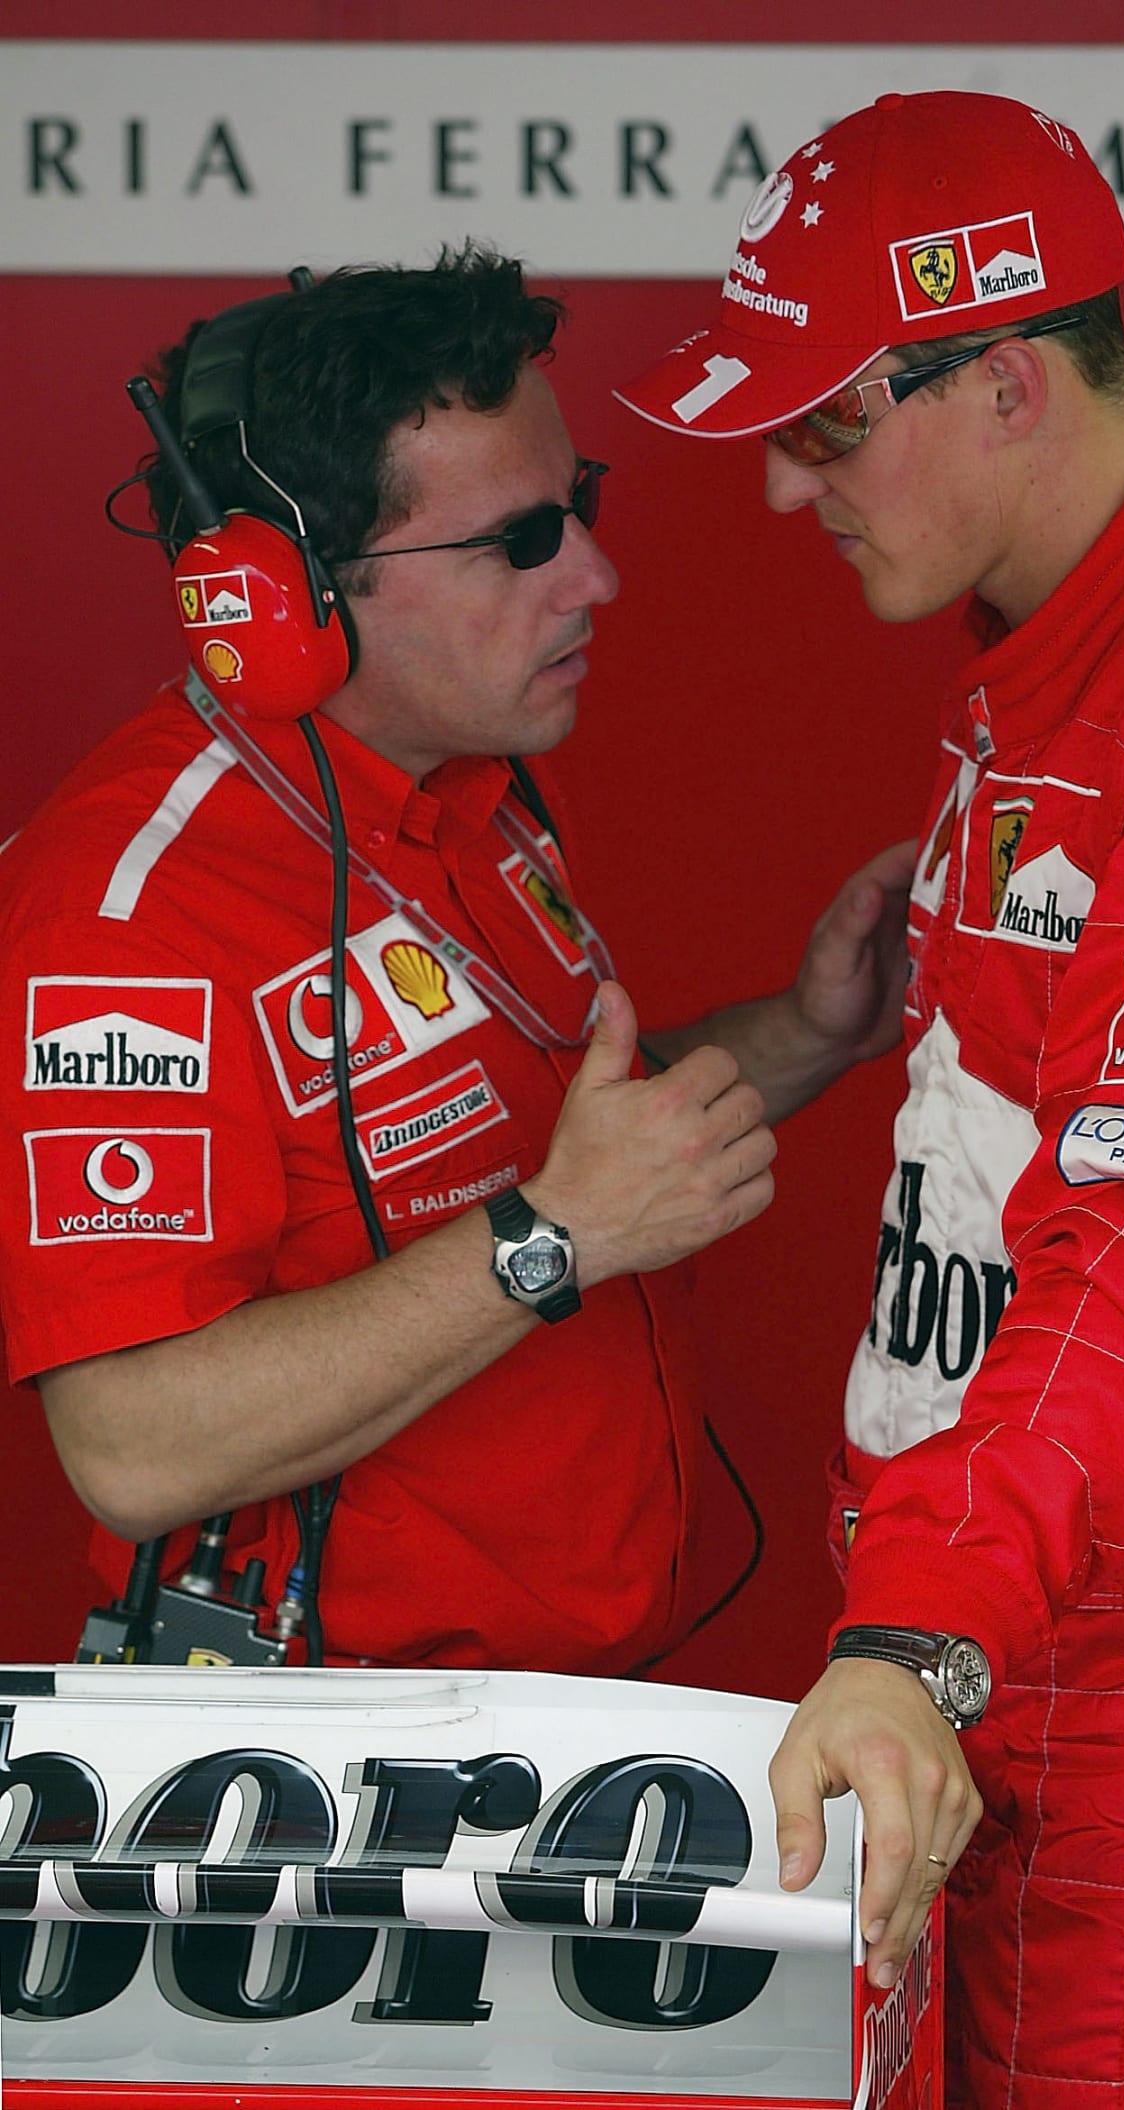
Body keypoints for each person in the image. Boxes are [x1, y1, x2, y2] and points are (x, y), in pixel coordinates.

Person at [616, 91, 1124, 2105]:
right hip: (999, 1666)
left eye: (821, 429)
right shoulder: (1054, 659)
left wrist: (914, 1637)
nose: (788, 493)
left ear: (998, 384)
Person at [0, 244, 912, 1678]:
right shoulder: (128, 916)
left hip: (549, 1732)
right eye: (524, 539)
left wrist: (811, 1027)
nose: (600, 574)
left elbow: (585, 1154)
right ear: (284, 587)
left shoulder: (472, 801)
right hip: (325, 1785)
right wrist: (553, 1239)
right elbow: (130, 1437)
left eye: (582, 507)